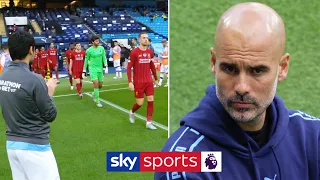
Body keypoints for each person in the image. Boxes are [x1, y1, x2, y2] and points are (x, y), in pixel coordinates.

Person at [155, 2, 320, 180]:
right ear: (213, 63)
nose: (242, 87)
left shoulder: (313, 137)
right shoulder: (183, 163)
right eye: (230, 69)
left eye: (257, 70)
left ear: (282, 67)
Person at [0, 31, 59, 180]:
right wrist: (49, 91)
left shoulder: (4, 75)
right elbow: (50, 114)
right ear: (31, 50)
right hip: (35, 147)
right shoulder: (34, 79)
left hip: (12, 145)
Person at [127, 32, 158, 130]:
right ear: (139, 39)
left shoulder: (150, 52)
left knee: (151, 100)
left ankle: (148, 122)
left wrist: (155, 78)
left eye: (147, 38)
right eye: (144, 38)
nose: (146, 39)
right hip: (138, 82)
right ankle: (132, 112)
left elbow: (152, 65)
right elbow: (129, 68)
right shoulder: (134, 52)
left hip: (148, 81)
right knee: (140, 103)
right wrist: (130, 82)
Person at [83, 35, 107, 108]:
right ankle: (97, 100)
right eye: (96, 41)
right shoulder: (89, 50)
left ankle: (94, 93)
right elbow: (86, 61)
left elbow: (104, 57)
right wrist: (84, 71)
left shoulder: (101, 48)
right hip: (92, 69)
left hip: (100, 69)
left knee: (100, 85)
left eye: (98, 41)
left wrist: (105, 65)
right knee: (96, 83)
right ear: (92, 42)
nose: (98, 42)